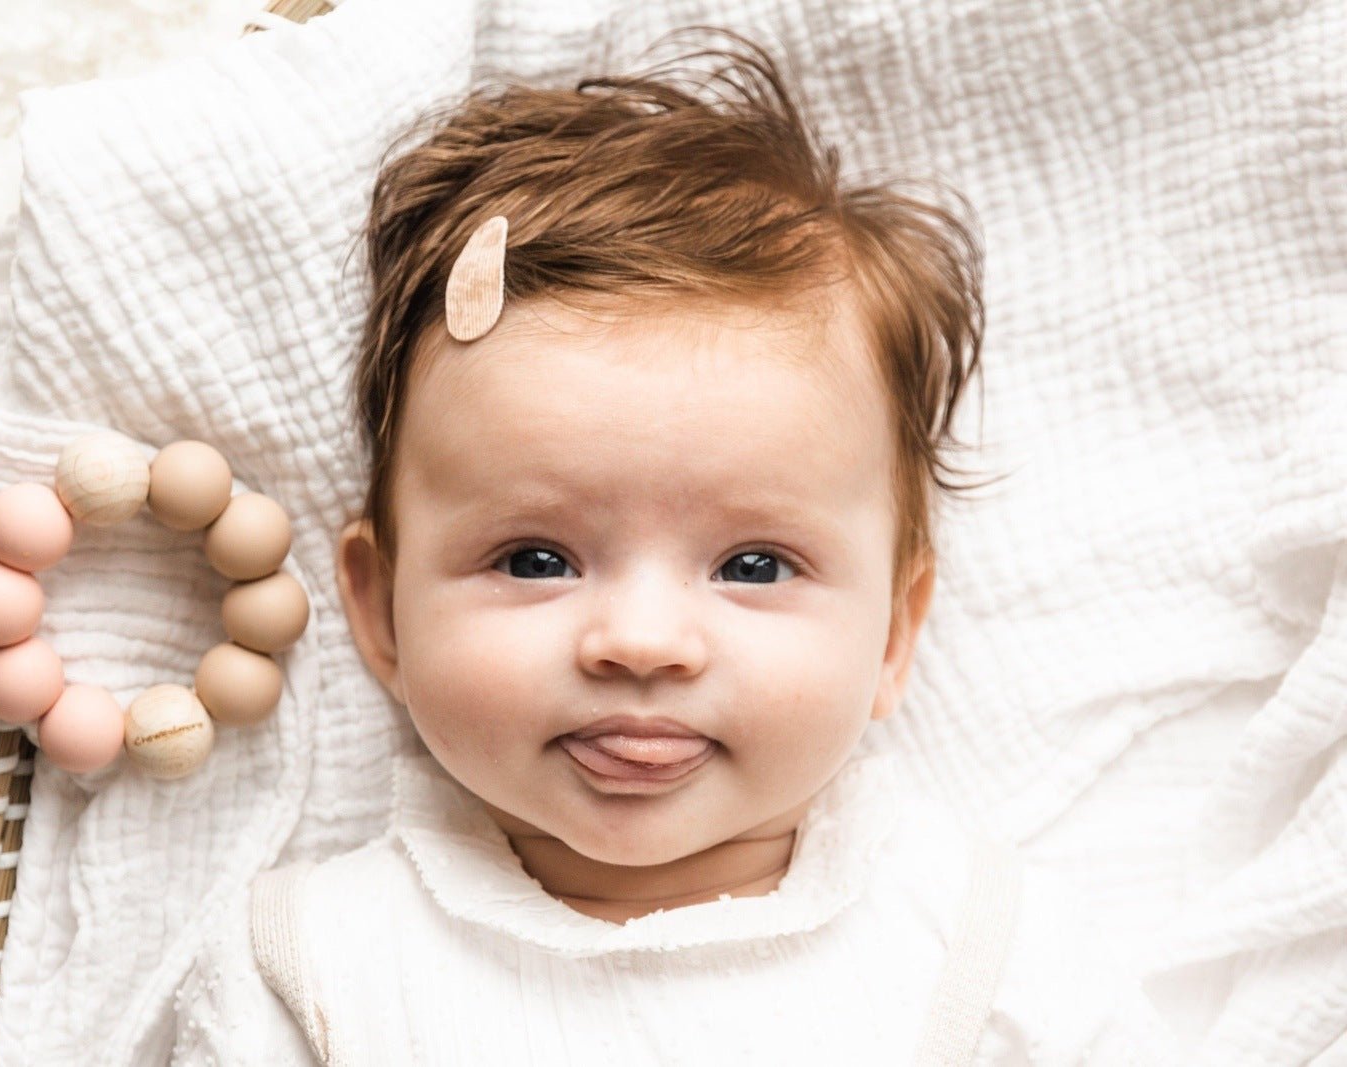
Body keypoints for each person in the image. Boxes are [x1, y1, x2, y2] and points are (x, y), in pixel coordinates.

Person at [172, 26, 1182, 1065]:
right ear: (381, 610)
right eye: (535, 558)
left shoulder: (986, 955)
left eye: (755, 565)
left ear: (893, 633)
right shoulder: (311, 966)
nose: (642, 641)